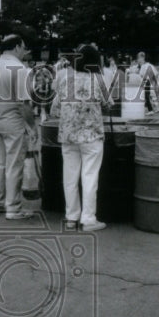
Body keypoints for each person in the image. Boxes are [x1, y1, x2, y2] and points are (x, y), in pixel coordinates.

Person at [51, 43, 108, 232]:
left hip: (68, 135)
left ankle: (71, 217)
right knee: (90, 176)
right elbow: (108, 104)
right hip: (91, 135)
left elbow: (55, 107)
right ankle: (88, 219)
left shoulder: (63, 76)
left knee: (69, 176)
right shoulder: (99, 79)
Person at [0, 34, 37, 219]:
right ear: (17, 47)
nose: (24, 51)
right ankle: (13, 207)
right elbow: (25, 104)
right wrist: (32, 126)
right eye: (23, 47)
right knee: (14, 165)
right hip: (13, 121)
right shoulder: (20, 69)